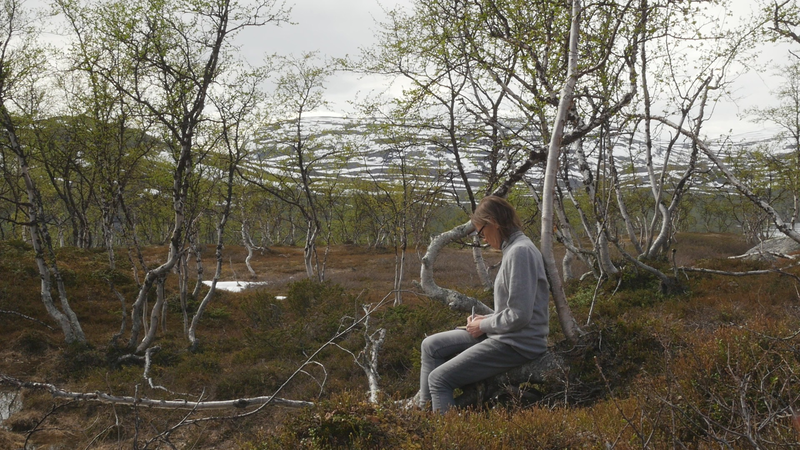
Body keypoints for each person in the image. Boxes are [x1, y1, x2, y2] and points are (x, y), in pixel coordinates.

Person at [418, 195, 550, 413]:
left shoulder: (520, 252)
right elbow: (514, 309)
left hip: (518, 344)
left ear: (494, 223)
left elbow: (520, 315)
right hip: (507, 335)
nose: (483, 239)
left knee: (439, 379)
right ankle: (423, 413)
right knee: (430, 346)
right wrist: (486, 319)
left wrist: (483, 325)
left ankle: (440, 430)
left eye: (481, 232)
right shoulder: (514, 248)